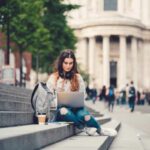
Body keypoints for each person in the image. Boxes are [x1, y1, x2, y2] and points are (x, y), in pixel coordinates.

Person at [46, 50, 102, 136]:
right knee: (64, 111)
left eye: (71, 63)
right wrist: (57, 99)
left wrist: (78, 100)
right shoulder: (53, 78)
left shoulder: (78, 77)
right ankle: (84, 128)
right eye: (66, 63)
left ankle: (100, 130)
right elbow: (48, 97)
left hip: (77, 109)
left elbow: (83, 95)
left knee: (86, 116)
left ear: (74, 63)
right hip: (61, 110)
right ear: (61, 62)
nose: (68, 66)